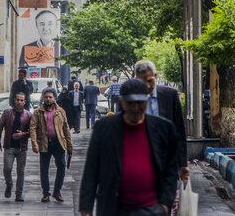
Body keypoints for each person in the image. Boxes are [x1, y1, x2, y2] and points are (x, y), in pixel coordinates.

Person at [79, 79, 179, 216]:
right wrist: (86, 207)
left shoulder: (164, 128)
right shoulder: (105, 127)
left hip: (152, 209)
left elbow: (171, 168)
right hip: (114, 208)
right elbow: (92, 168)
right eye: (130, 103)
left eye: (140, 102)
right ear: (121, 102)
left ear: (147, 101)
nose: (135, 108)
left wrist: (165, 204)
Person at [134, 60, 189, 181]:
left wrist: (183, 164)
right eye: (142, 82)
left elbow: (179, 131)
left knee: (168, 197)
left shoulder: (170, 95)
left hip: (167, 160)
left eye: (150, 81)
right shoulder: (130, 98)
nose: (147, 86)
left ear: (156, 76)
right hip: (140, 160)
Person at [30, 88, 73, 203]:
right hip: (45, 143)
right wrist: (34, 144)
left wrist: (69, 145)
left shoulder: (60, 111)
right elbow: (33, 128)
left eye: (50, 97)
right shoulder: (38, 112)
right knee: (44, 169)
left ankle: (57, 191)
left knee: (62, 166)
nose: (48, 99)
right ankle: (46, 193)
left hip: (59, 143)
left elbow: (66, 128)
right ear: (43, 98)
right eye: (46, 97)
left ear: (54, 98)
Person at [0, 92, 33, 202]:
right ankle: (9, 184)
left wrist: (23, 135)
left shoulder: (28, 115)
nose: (19, 102)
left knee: (20, 171)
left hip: (22, 147)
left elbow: (32, 131)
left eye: (21, 100)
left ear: (25, 102)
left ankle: (19, 194)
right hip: (9, 146)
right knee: (7, 168)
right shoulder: (7, 113)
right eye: (17, 99)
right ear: (14, 100)